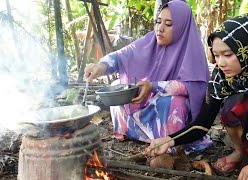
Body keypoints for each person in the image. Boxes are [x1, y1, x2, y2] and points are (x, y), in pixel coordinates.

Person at [146, 13, 248, 179]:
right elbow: (203, 122)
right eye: (216, 55)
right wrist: (169, 140)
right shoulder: (222, 75)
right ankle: (245, 154)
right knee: (235, 105)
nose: (221, 63)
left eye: (228, 54)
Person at [84, 0, 210, 154]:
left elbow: (193, 87)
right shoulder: (150, 40)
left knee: (175, 103)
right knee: (118, 87)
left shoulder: (192, 50)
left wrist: (153, 86)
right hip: (147, 96)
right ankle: (135, 132)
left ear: (182, 27)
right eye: (158, 22)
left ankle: (171, 142)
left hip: (166, 102)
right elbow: (121, 56)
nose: (160, 28)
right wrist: (100, 66)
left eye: (168, 24)